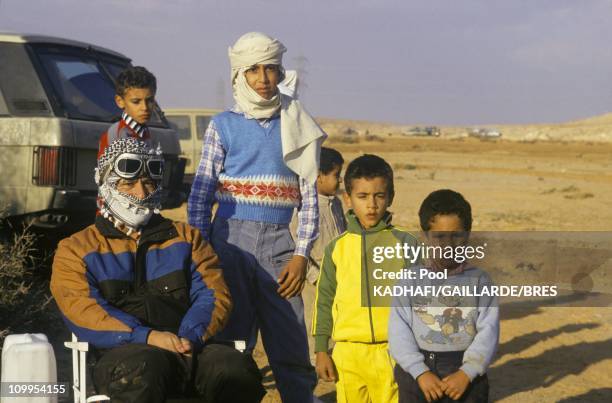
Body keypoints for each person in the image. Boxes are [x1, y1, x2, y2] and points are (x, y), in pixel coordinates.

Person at [51, 138, 264, 403]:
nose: (141, 192)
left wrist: (187, 338)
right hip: (123, 354)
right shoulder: (76, 249)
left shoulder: (188, 238)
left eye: (149, 182)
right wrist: (148, 337)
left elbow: (215, 295)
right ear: (106, 186)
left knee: (235, 371)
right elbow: (82, 310)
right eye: (128, 183)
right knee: (145, 369)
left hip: (190, 346)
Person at [187, 32, 326, 402]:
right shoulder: (223, 125)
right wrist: (202, 253)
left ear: (281, 72)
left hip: (281, 247)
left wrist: (300, 255)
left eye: (271, 68)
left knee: (291, 344)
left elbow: (310, 196)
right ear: (239, 76)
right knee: (230, 345)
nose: (264, 79)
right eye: (254, 70)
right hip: (227, 246)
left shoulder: (297, 123)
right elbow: (200, 197)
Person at [313, 154, 417, 403]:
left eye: (379, 196)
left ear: (390, 197)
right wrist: (320, 350)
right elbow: (324, 300)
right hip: (348, 354)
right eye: (362, 196)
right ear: (347, 198)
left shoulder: (406, 244)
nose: (371, 205)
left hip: (393, 350)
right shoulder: (336, 248)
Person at [388, 189, 499, 403]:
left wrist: (468, 372)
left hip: (464, 377)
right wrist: (419, 371)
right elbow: (398, 330)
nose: (448, 245)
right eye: (439, 236)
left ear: (467, 234)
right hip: (416, 376)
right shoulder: (410, 280)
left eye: (456, 235)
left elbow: (489, 331)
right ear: (424, 236)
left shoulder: (480, 281)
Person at [292, 146, 346, 364]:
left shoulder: (336, 204)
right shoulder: (304, 207)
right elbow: (297, 248)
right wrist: (316, 278)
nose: (339, 181)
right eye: (335, 176)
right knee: (314, 328)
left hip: (338, 279)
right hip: (313, 284)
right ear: (319, 175)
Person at [98, 66, 157, 159]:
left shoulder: (146, 134)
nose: (145, 107)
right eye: (136, 102)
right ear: (120, 101)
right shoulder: (117, 134)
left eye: (149, 101)